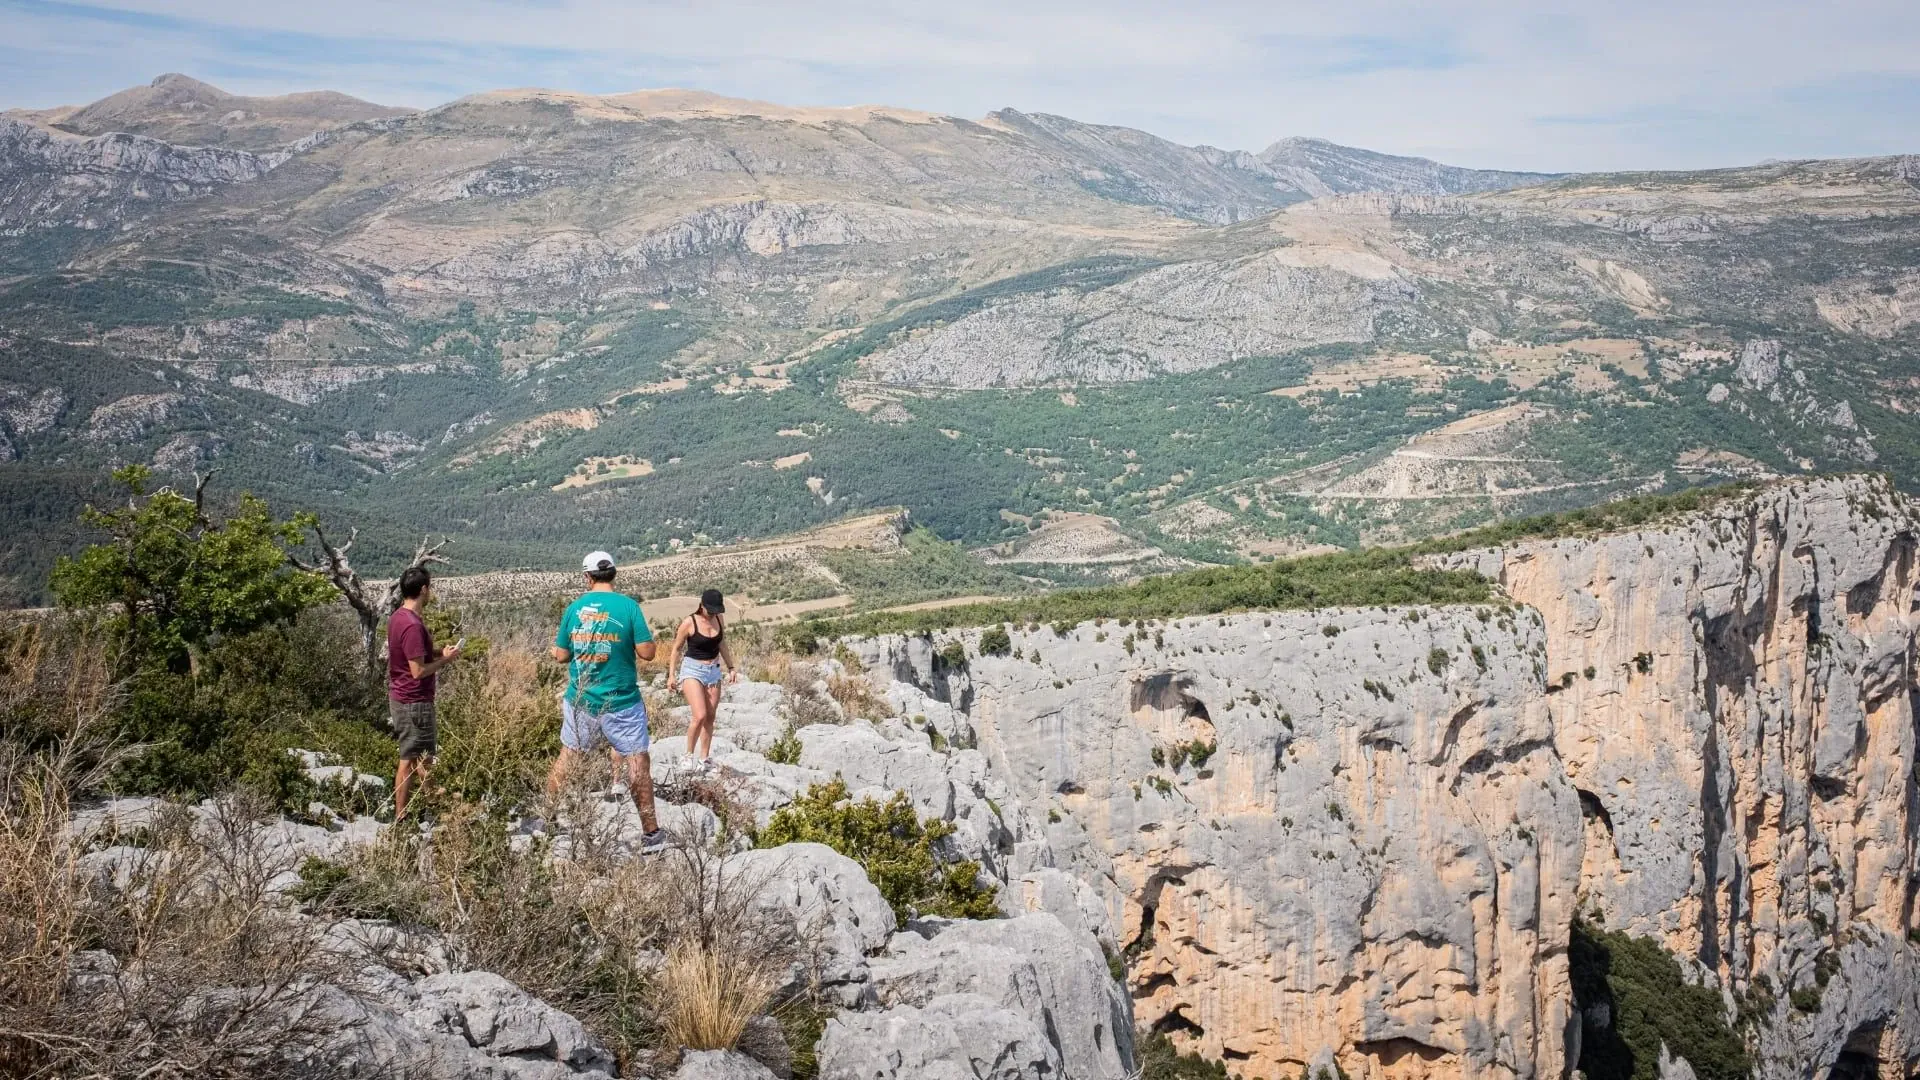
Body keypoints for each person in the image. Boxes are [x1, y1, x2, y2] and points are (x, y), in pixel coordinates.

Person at [546, 551, 666, 852]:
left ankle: (545, 817)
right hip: (622, 701)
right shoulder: (629, 607)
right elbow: (648, 653)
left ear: (587, 577)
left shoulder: (574, 609)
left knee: (568, 755)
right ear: (614, 573)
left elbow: (561, 656)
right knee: (637, 760)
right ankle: (651, 834)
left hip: (581, 701)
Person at [388, 566, 460, 819]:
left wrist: (440, 651)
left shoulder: (398, 617)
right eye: (430, 587)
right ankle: (401, 815)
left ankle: (434, 799)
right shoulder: (413, 626)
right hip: (414, 701)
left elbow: (412, 655)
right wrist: (446, 661)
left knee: (422, 756)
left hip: (401, 696)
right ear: (424, 590)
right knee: (410, 758)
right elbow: (418, 671)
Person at [666, 588, 739, 772]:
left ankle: (704, 759)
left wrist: (730, 667)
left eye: (717, 610)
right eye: (711, 610)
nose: (714, 613)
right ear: (702, 605)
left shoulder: (719, 619)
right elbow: (676, 649)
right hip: (692, 670)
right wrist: (671, 675)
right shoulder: (689, 623)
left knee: (710, 717)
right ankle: (687, 755)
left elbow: (721, 643)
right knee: (699, 715)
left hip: (713, 670)